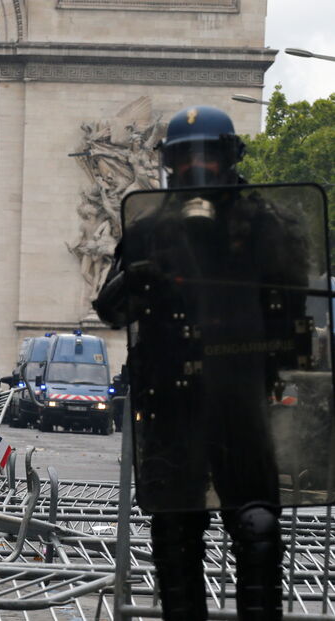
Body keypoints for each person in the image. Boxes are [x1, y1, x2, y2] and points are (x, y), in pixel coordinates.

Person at [93, 106, 309, 620]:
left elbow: (294, 308)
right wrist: (139, 275)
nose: (198, 170)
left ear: (230, 159)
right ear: (170, 165)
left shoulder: (267, 224)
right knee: (175, 533)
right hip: (170, 400)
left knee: (258, 531)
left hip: (240, 395)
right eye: (186, 159)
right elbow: (110, 308)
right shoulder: (148, 230)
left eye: (208, 158)